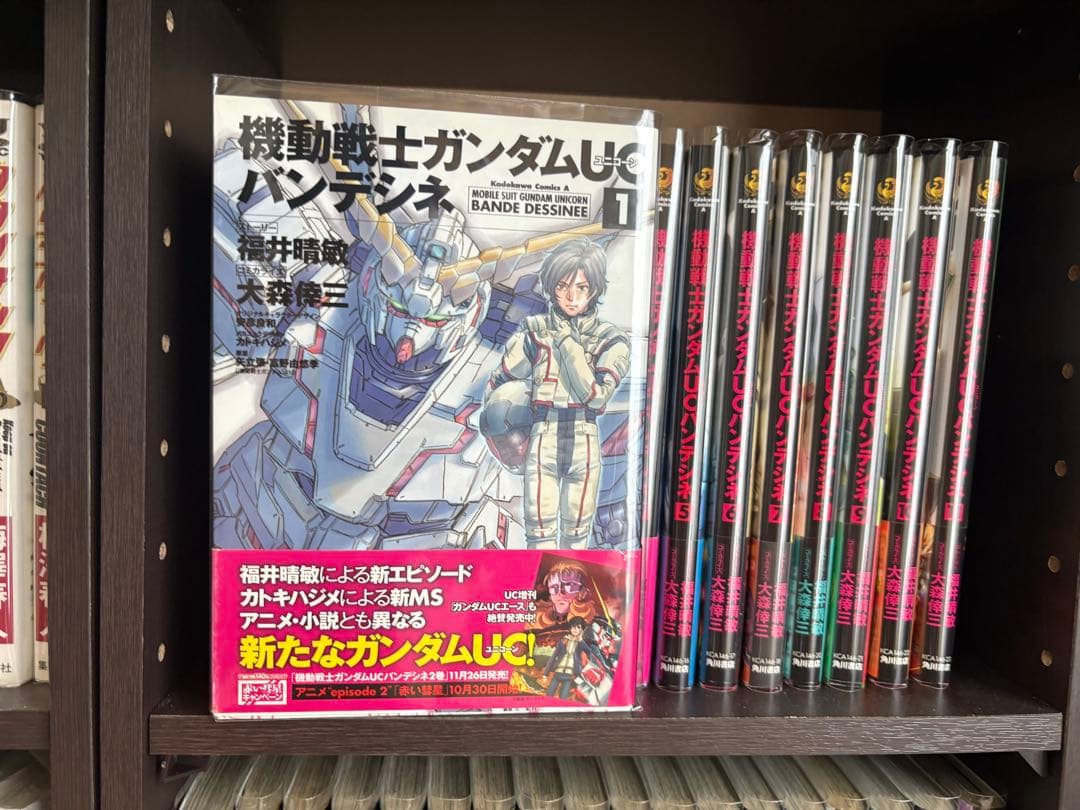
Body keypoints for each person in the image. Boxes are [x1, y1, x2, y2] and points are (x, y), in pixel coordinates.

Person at [485, 239, 630, 548]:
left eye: (581, 287)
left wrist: (565, 342)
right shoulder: (534, 333)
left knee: (576, 535)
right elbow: (501, 380)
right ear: (551, 288)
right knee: (538, 533)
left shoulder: (610, 339)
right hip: (544, 434)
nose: (570, 296)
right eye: (562, 286)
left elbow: (595, 396)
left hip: (583, 437)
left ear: (594, 290)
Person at [542, 616, 601, 700]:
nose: (575, 629)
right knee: (549, 695)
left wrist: (580, 640)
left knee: (563, 698)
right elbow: (554, 656)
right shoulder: (563, 641)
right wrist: (545, 673)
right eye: (573, 627)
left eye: (578, 627)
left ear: (581, 629)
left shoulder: (581, 643)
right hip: (558, 673)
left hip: (570, 676)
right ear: (570, 628)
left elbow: (589, 652)